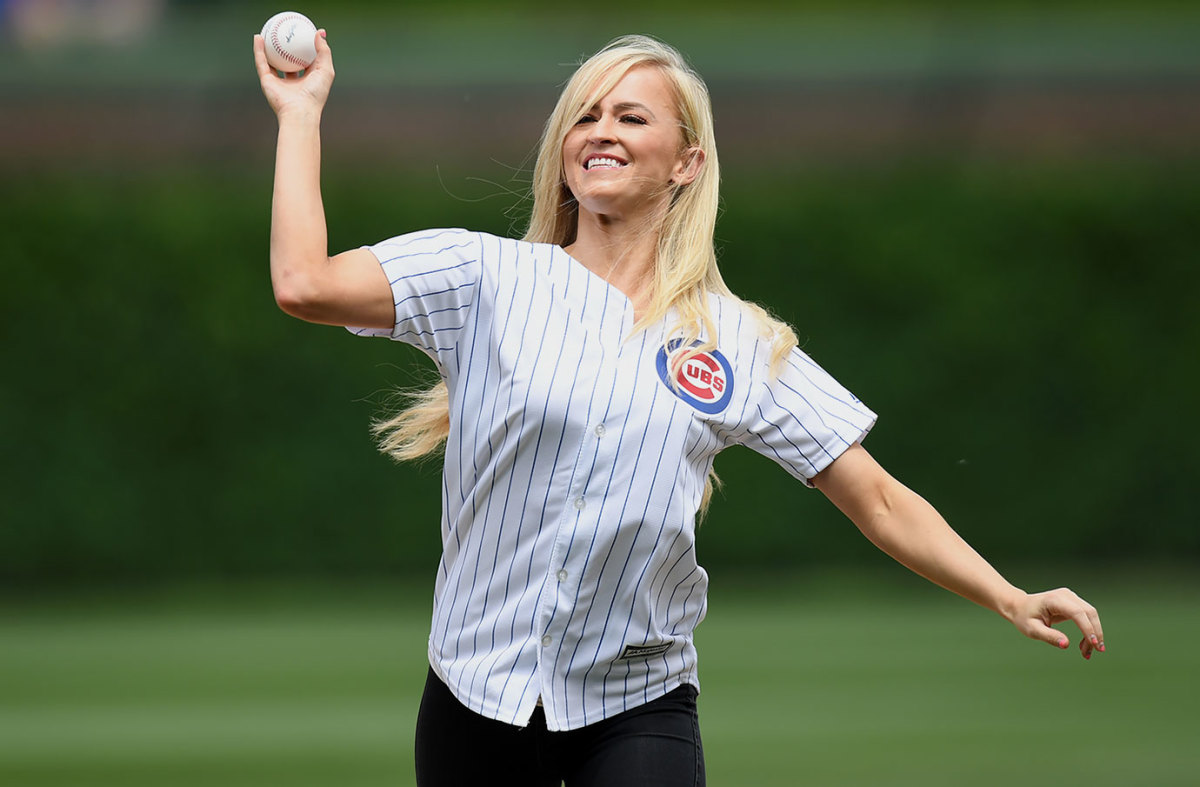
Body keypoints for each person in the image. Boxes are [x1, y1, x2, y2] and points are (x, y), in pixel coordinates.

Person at [254, 30, 1104, 787]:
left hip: (638, 699)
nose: (601, 132)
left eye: (631, 116)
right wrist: (300, 114)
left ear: (687, 161)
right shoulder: (483, 277)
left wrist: (1008, 595)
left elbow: (877, 499)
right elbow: (304, 284)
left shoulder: (737, 341)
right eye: (585, 117)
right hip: (476, 691)